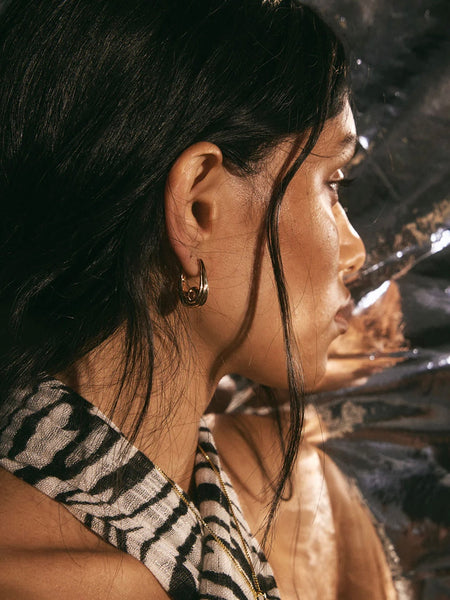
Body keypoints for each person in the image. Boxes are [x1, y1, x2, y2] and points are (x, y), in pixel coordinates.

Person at [0, 1, 394, 598]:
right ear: (197, 208)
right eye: (331, 184)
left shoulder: (208, 508)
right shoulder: (58, 583)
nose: (355, 251)